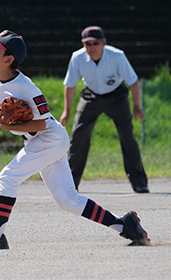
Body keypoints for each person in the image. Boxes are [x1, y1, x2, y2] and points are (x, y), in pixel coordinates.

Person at [0, 30, 150, 249]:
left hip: (49, 137)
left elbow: (41, 123)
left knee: (7, 177)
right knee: (68, 201)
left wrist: (10, 125)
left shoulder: (26, 87)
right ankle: (126, 225)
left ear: (9, 59)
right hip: (37, 142)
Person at [59, 26, 149, 193]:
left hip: (117, 97)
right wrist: (66, 111)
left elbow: (133, 81)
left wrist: (136, 106)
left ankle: (139, 182)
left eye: (95, 43)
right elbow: (70, 85)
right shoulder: (77, 58)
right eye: (87, 44)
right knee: (78, 137)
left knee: (127, 136)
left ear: (104, 43)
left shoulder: (117, 56)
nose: (91, 48)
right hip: (91, 97)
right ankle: (70, 184)